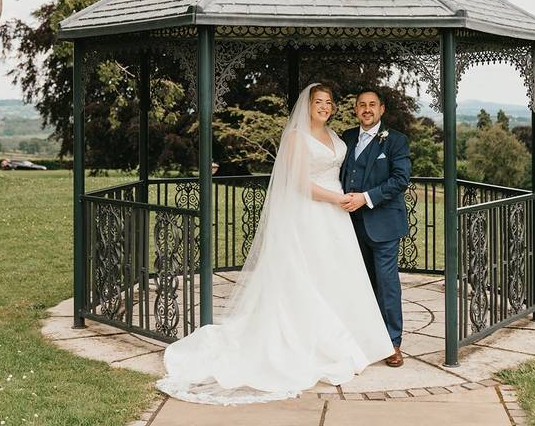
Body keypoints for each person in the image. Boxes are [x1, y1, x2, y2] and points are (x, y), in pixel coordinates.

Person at [156, 83, 394, 405]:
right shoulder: (297, 137)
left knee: (335, 277)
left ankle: (346, 340)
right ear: (307, 106)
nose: (324, 106)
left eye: (329, 102)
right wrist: (337, 198)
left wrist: (349, 198)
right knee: (306, 278)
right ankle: (310, 343)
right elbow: (298, 182)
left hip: (335, 219)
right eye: (318, 102)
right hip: (312, 212)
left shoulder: (337, 136)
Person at [339, 89, 412, 367]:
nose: (366, 109)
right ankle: (364, 336)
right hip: (347, 224)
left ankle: (393, 342)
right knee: (359, 282)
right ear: (355, 109)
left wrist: (365, 198)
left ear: (381, 109)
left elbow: (400, 179)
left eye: (372, 105)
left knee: (386, 284)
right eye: (361, 105)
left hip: (383, 224)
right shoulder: (346, 137)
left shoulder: (396, 141)